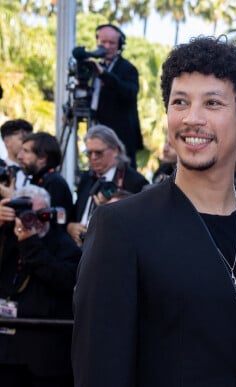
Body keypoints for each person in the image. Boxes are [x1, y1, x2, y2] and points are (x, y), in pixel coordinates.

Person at [72, 35, 236, 387]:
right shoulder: (121, 226)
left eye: (212, 103)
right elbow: (100, 369)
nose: (191, 118)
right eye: (179, 102)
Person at [0, 185, 81, 387]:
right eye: (27, 213)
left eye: (40, 213)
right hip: (7, 353)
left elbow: (63, 280)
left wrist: (30, 244)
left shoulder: (63, 243)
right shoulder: (6, 237)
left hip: (44, 358)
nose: (33, 220)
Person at [66, 124, 148, 246]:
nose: (93, 158)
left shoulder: (135, 182)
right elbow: (74, 213)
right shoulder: (87, 178)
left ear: (115, 150)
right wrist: (71, 227)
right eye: (89, 153)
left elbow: (141, 225)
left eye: (98, 153)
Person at [89, 24, 142, 167]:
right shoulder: (94, 68)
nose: (106, 46)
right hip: (98, 133)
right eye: (103, 42)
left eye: (111, 43)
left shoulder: (128, 69)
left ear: (120, 45)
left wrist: (104, 75)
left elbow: (129, 93)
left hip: (121, 139)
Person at [17, 132, 74, 219]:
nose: (19, 156)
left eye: (26, 151)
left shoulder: (54, 183)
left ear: (42, 158)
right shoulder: (41, 179)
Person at [0, 119, 33, 198]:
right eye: (23, 139)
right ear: (7, 141)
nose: (28, 144)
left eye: (30, 140)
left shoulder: (36, 170)